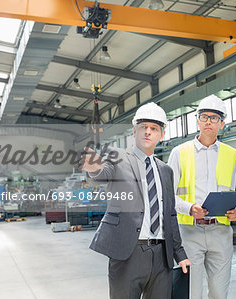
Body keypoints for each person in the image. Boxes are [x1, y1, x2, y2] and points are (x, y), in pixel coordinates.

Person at [81, 102, 191, 299]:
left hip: (161, 255)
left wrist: (179, 255)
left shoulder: (166, 170)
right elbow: (102, 173)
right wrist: (92, 167)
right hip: (128, 253)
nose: (147, 132)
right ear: (134, 131)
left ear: (161, 135)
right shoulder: (117, 158)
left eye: (153, 128)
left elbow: (170, 214)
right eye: (143, 127)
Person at [168, 94, 236, 299]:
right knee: (192, 292)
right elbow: (169, 196)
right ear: (197, 120)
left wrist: (234, 212)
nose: (209, 121)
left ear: (222, 123)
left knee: (219, 293)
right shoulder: (179, 152)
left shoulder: (231, 154)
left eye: (214, 117)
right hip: (189, 232)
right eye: (204, 116)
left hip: (221, 232)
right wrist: (189, 208)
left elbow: (231, 191)